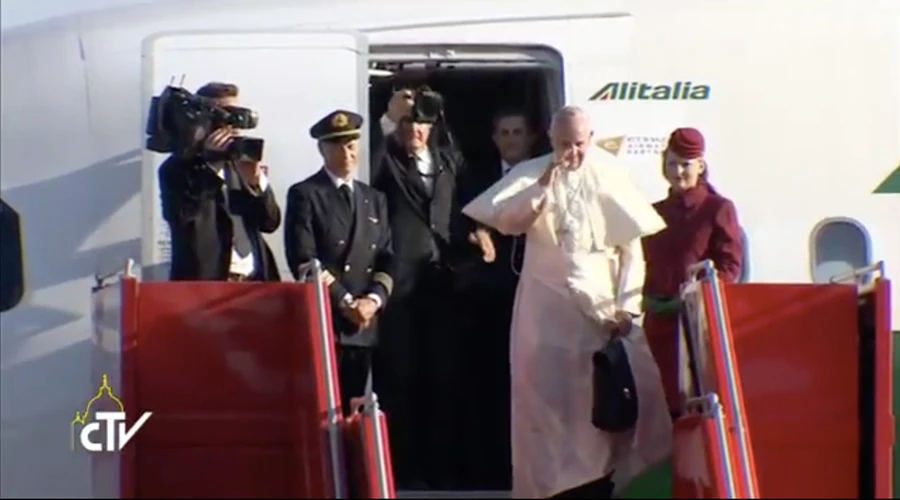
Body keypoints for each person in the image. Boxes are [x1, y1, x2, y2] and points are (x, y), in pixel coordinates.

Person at [462, 106, 673, 498]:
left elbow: (631, 250)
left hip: (603, 315)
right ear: (551, 140)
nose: (572, 153)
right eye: (563, 145)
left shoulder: (610, 173)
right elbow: (508, 220)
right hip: (546, 314)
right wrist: (545, 181)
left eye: (578, 144)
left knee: (610, 412)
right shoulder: (535, 171)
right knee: (549, 417)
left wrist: (627, 308)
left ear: (589, 139)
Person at [370, 88, 490, 489]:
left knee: (444, 380)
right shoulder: (385, 159)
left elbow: (467, 209)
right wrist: (389, 118)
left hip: (442, 285)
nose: (416, 129)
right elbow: (364, 176)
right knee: (400, 380)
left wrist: (477, 236)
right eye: (409, 122)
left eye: (422, 122)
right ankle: (404, 472)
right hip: (399, 289)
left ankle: (444, 471)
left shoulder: (449, 162)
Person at [283, 110, 395, 414]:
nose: (345, 153)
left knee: (354, 408)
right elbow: (304, 259)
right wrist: (346, 302)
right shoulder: (306, 194)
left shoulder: (374, 199)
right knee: (324, 408)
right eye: (335, 146)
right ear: (322, 150)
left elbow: (386, 257)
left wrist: (373, 300)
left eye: (350, 145)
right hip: (328, 320)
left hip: (364, 326)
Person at [457, 107, 539, 491]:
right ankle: (489, 471)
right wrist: (475, 238)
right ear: (494, 139)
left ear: (531, 137)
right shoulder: (475, 179)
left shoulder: (544, 175)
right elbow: (458, 224)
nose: (511, 139)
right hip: (489, 302)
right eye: (504, 132)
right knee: (490, 387)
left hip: (536, 296)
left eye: (517, 132)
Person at [641, 127, 744, 415]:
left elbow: (729, 267)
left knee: (693, 405)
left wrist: (691, 297)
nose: (678, 172)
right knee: (658, 408)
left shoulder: (717, 209)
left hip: (696, 327)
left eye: (685, 164)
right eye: (671, 163)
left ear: (700, 165)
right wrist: (646, 298)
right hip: (658, 327)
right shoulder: (653, 213)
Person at [158, 81, 281, 282]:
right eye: (224, 117)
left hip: (253, 282)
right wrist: (209, 166)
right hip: (206, 286)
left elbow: (270, 222)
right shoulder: (177, 169)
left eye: (236, 117)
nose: (231, 127)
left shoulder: (241, 163)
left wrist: (255, 183)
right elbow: (182, 218)